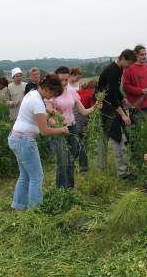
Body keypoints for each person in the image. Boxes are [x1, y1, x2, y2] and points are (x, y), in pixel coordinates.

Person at [8, 74, 70, 210]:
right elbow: (44, 131)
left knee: (25, 175)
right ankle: (35, 210)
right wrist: (62, 130)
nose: (53, 96)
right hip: (25, 141)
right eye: (53, 93)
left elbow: (35, 116)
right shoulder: (37, 102)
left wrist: (48, 115)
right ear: (48, 88)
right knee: (37, 176)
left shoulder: (32, 94)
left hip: (15, 138)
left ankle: (18, 206)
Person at [45, 66, 98, 186]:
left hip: (72, 127)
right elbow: (48, 112)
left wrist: (96, 107)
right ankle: (61, 189)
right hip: (59, 129)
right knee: (62, 160)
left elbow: (83, 111)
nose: (63, 83)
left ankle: (70, 187)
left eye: (65, 79)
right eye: (61, 80)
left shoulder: (72, 92)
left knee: (71, 158)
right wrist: (56, 123)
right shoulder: (51, 93)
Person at [96, 49, 136, 179]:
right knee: (118, 138)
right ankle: (123, 173)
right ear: (122, 58)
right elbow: (110, 95)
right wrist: (123, 114)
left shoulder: (119, 69)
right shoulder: (113, 70)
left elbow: (115, 90)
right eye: (128, 63)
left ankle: (100, 170)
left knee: (104, 138)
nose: (129, 66)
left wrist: (122, 98)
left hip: (108, 106)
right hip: (107, 108)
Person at [122, 44, 147, 120]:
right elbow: (126, 87)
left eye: (145, 54)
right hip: (135, 105)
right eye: (142, 55)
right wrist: (141, 91)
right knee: (137, 129)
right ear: (136, 55)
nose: (144, 56)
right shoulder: (128, 68)